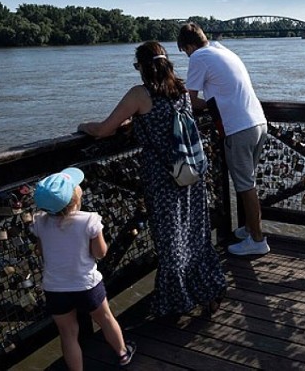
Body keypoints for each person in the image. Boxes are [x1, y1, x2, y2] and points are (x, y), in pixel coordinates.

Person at [77, 41, 227, 317]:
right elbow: (170, 121)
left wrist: (83, 126)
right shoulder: (181, 90)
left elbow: (104, 130)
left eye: (137, 66)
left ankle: (177, 302)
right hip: (190, 173)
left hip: (162, 179)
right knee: (195, 234)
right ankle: (209, 291)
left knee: (170, 241)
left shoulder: (139, 94)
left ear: (143, 67)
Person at [177, 22, 269, 256]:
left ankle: (257, 240)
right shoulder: (223, 50)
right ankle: (250, 228)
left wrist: (208, 105)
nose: (187, 56)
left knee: (246, 185)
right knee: (249, 182)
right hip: (258, 122)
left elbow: (189, 101)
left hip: (238, 128)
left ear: (189, 46)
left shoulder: (199, 56)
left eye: (185, 51)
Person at [31, 167, 136, 369]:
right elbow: (100, 253)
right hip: (87, 284)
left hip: (55, 288)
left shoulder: (39, 222)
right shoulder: (89, 220)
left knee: (68, 333)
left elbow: (41, 252)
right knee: (105, 319)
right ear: (75, 199)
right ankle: (123, 353)